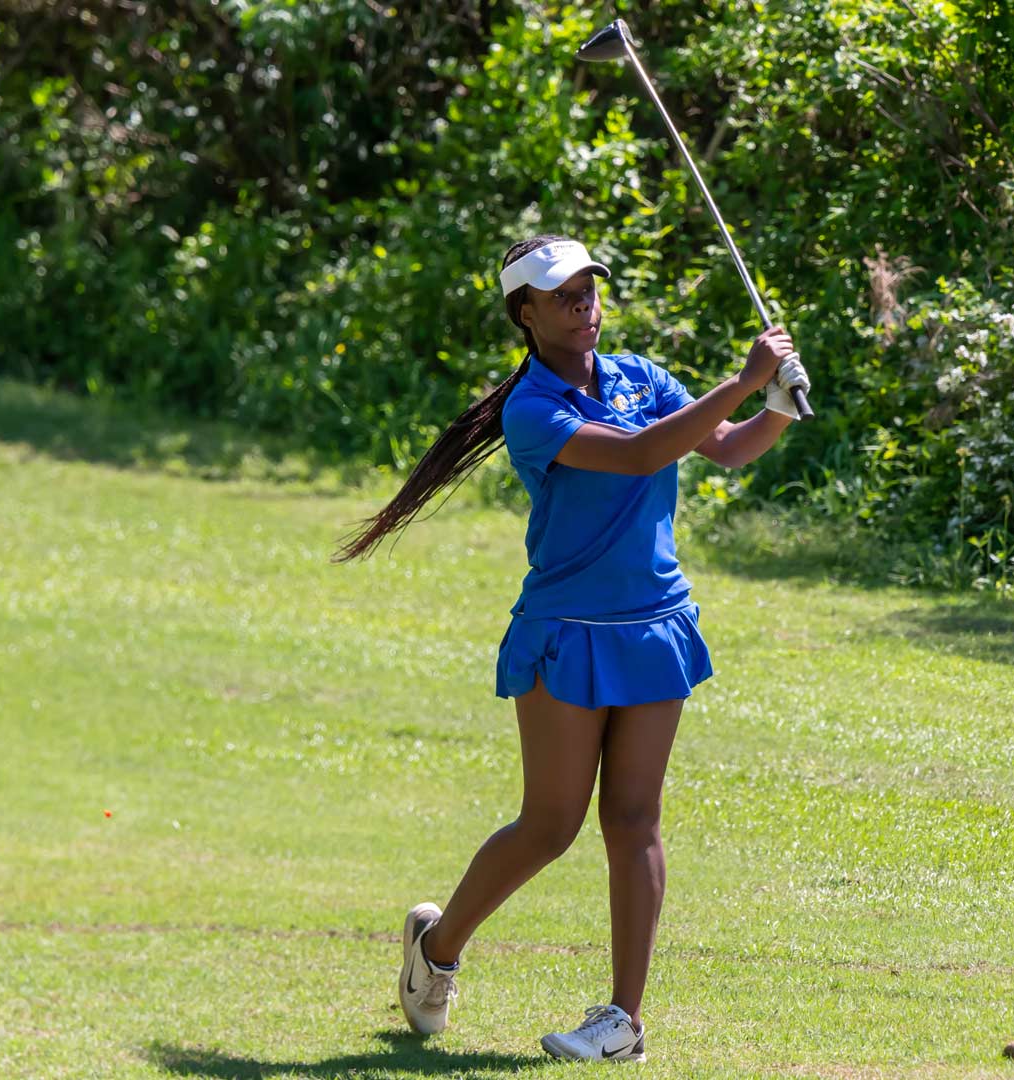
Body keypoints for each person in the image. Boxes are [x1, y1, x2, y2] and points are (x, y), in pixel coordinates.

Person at [334, 234, 810, 1063]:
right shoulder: (531, 409)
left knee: (634, 821)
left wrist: (773, 409)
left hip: (655, 625)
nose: (584, 305)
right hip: (567, 633)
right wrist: (744, 378)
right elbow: (635, 457)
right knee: (551, 825)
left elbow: (726, 449)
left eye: (590, 290)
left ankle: (623, 1024)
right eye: (562, 296)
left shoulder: (639, 375)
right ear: (526, 314)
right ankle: (437, 949)